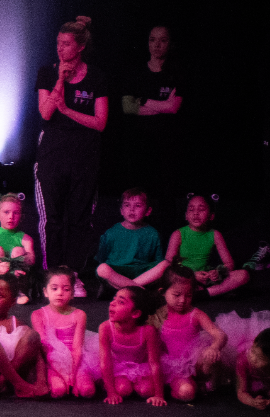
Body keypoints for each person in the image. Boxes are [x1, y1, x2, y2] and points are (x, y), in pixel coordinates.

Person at [35, 16, 110, 281]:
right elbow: (45, 113)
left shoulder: (96, 77)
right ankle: (52, 275)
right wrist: (60, 82)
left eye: (66, 44)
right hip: (53, 155)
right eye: (58, 43)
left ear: (80, 47)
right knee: (52, 219)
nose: (60, 49)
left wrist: (67, 110)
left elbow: (100, 123)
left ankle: (74, 274)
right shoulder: (47, 71)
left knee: (80, 219)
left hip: (85, 156)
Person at [120, 26, 186, 217]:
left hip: (167, 145)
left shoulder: (176, 73)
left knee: (166, 196)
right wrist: (162, 105)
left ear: (170, 44)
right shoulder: (136, 72)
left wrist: (142, 100)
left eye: (162, 40)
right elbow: (127, 106)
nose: (157, 44)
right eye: (152, 40)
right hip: (140, 143)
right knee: (138, 195)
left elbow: (174, 107)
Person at [154, 267, 226, 402]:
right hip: (171, 366)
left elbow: (219, 334)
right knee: (187, 393)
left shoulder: (196, 314)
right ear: (163, 292)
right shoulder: (159, 316)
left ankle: (199, 381)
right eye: (177, 295)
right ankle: (180, 386)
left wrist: (214, 347)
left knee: (211, 358)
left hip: (194, 363)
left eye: (188, 295)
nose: (182, 300)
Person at [87, 287, 167, 407]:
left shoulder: (148, 331)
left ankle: (139, 384)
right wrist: (111, 392)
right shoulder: (105, 328)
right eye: (114, 299)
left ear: (135, 313)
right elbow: (106, 362)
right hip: (118, 366)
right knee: (122, 389)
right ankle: (119, 384)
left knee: (147, 391)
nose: (112, 304)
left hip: (141, 366)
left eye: (121, 302)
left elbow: (154, 363)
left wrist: (159, 395)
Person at [30, 268, 95, 399]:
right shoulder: (38, 315)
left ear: (72, 293)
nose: (60, 293)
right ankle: (55, 380)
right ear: (45, 292)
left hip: (76, 361)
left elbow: (77, 348)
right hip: (51, 363)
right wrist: (61, 372)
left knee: (88, 391)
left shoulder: (79, 315)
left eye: (66, 289)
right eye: (54, 288)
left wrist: (72, 374)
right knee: (59, 390)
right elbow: (44, 347)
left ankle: (79, 377)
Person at [166, 195, 248, 297]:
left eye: (201, 209)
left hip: (205, 278)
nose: (196, 213)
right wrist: (192, 275)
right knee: (170, 277)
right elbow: (169, 264)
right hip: (183, 277)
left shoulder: (215, 234)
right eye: (191, 210)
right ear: (186, 215)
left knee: (243, 275)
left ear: (211, 216)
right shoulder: (178, 234)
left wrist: (218, 272)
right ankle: (198, 292)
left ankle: (203, 294)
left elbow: (229, 263)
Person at [94, 189, 165, 291]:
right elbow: (102, 258)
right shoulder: (111, 233)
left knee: (165, 265)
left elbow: (158, 261)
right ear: (121, 210)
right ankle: (139, 290)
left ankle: (125, 290)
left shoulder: (153, 233)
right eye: (127, 205)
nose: (132, 209)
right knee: (102, 269)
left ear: (148, 211)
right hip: (117, 271)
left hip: (141, 272)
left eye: (137, 206)